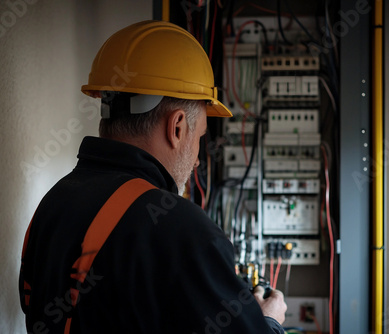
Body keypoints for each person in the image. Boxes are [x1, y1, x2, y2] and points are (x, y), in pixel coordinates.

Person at [19, 20, 287, 333]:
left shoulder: (54, 202)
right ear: (176, 128)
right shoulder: (180, 228)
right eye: (199, 136)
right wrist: (268, 322)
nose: (199, 159)